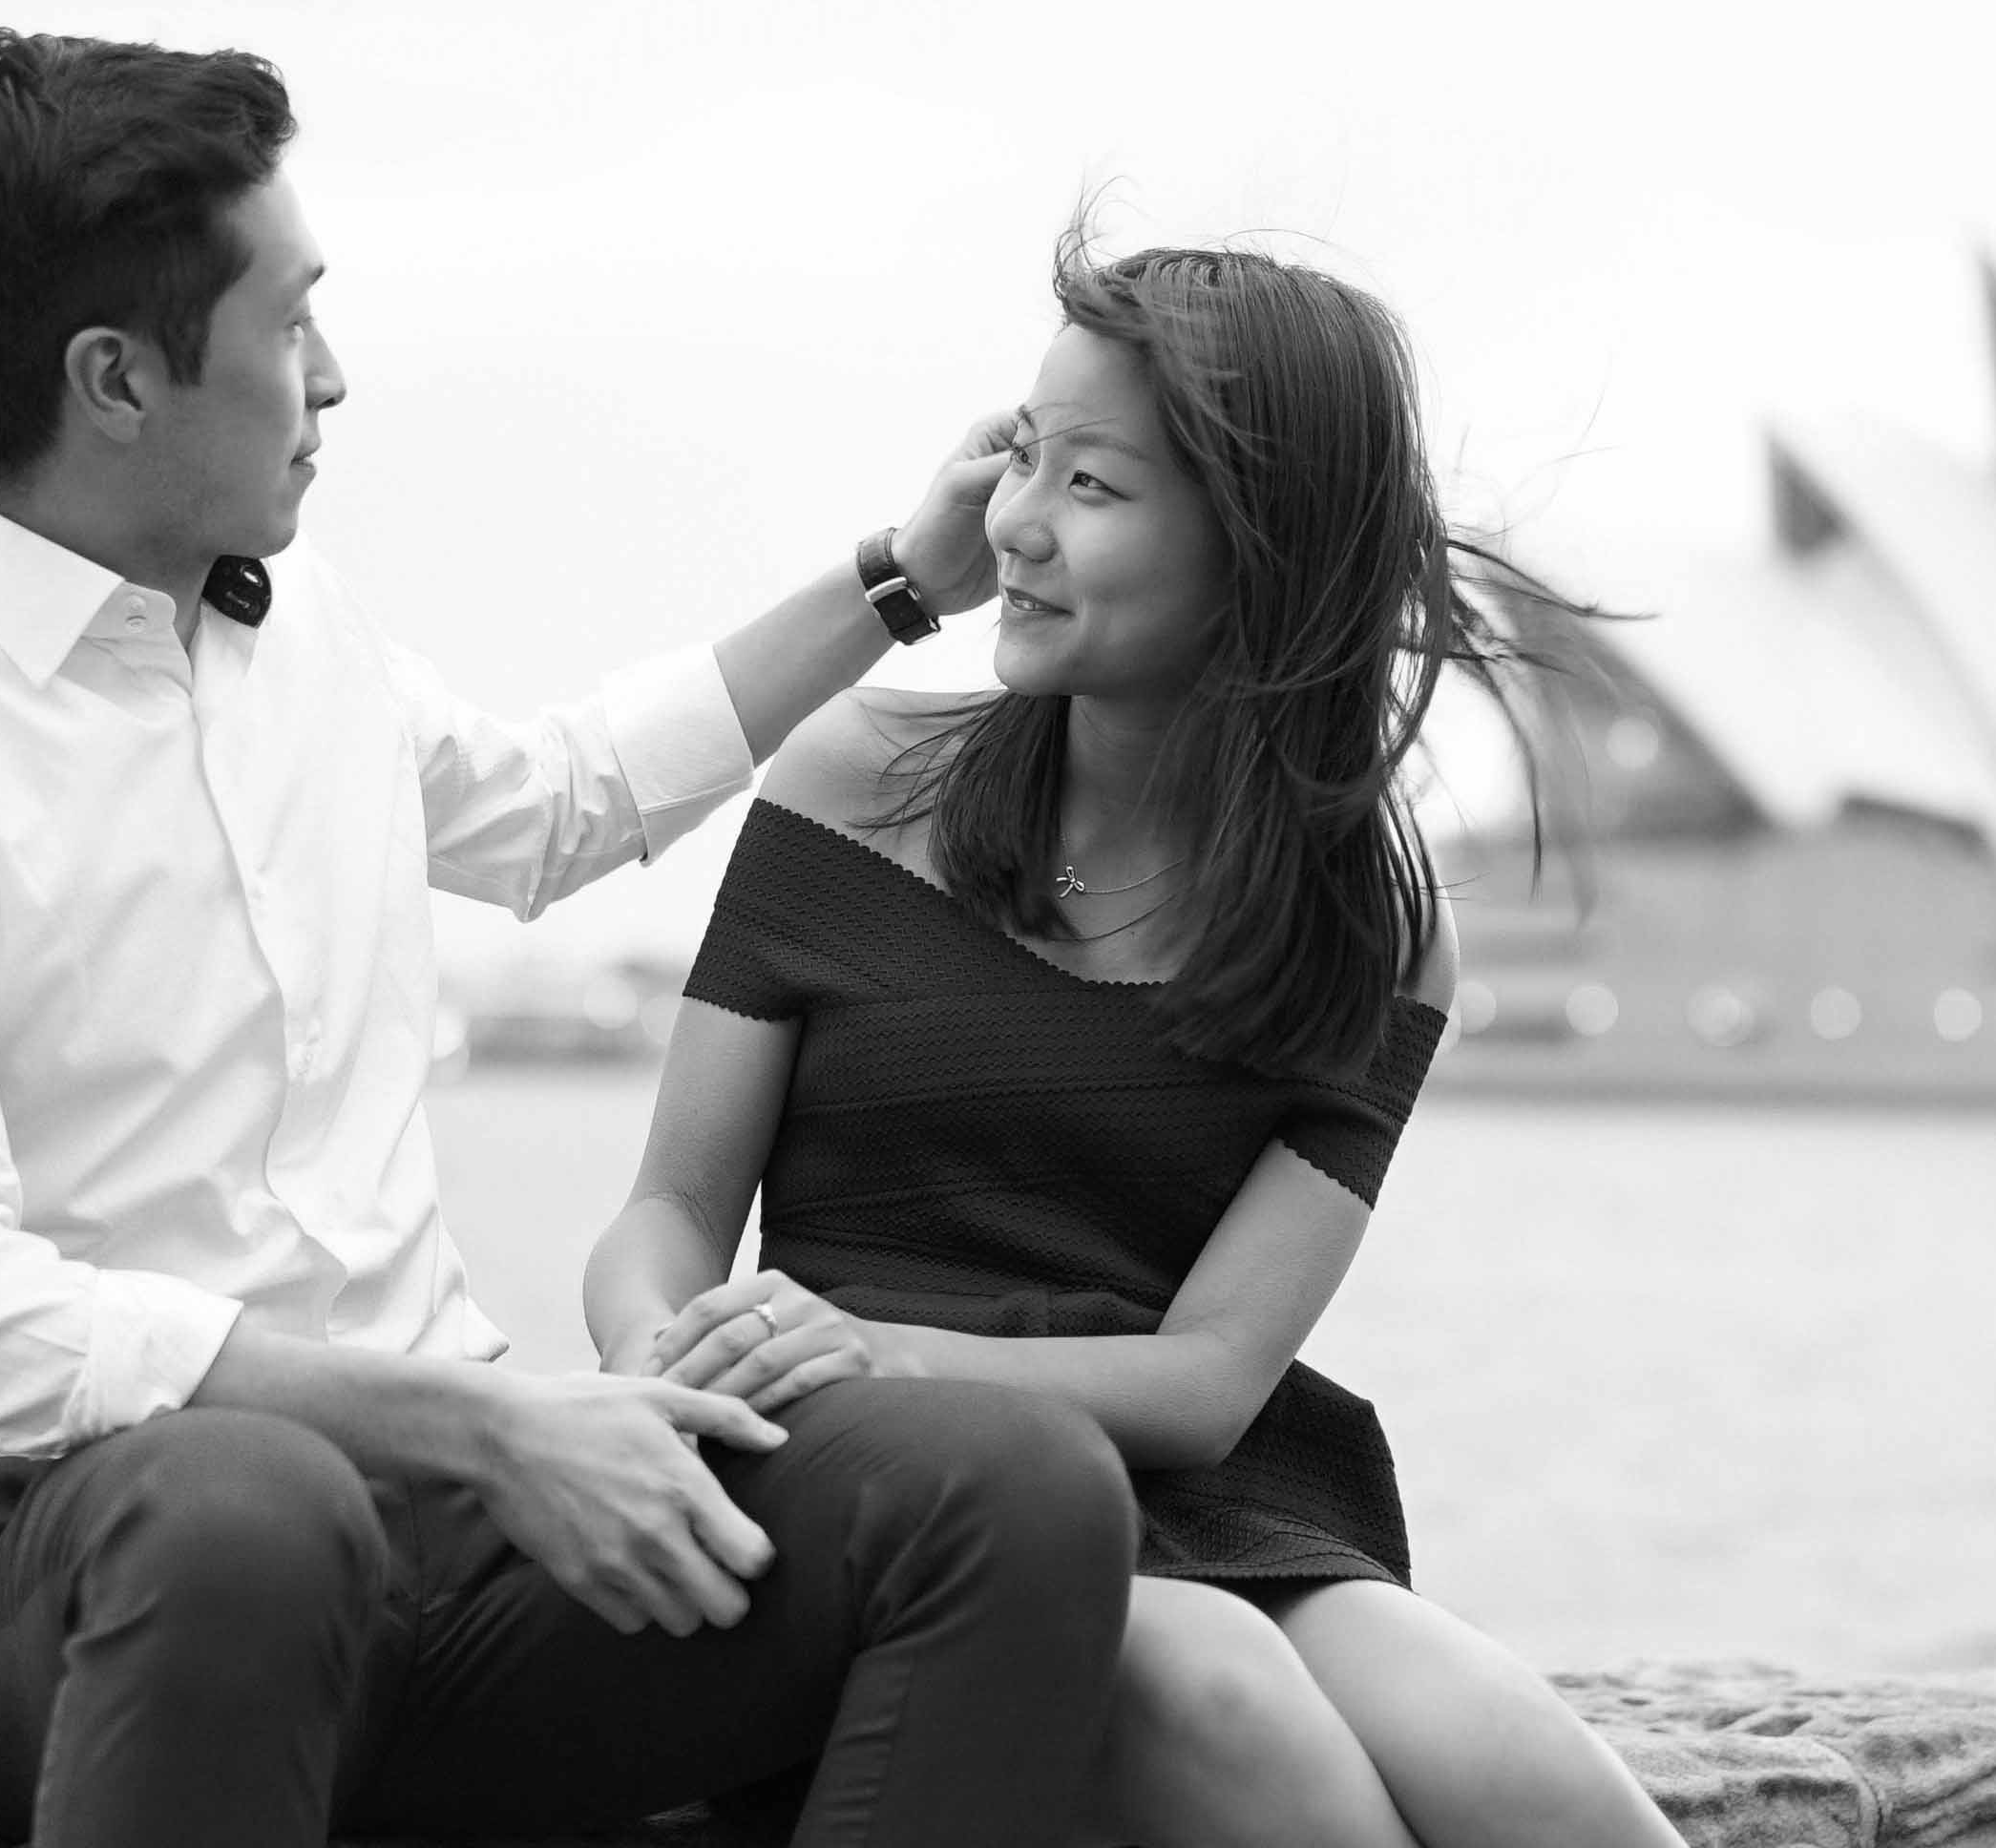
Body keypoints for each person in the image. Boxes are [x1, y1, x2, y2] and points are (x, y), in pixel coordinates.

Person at [0, 30, 1140, 1848]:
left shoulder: (300, 633)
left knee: (1018, 1489)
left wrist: (903, 581)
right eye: (289, 320)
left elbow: (560, 800)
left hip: (462, 1555)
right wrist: (487, 1432)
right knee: (250, 1513)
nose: (333, 374)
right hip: (126, 1575)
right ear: (114, 378)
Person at [580, 228, 1684, 1846]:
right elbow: (673, 1209)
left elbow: (1211, 1378)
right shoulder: (854, 781)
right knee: (1230, 1705)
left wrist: (891, 1348)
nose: (1016, 527)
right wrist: (658, 1380)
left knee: (1537, 1775)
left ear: (1259, 550)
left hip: (1206, 1494)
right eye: (1024, 456)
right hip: (904, 1481)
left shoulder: (1371, 929)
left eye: (1091, 486)